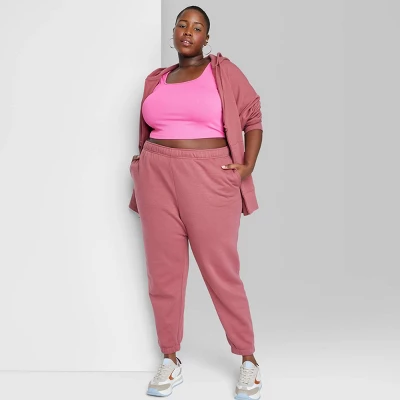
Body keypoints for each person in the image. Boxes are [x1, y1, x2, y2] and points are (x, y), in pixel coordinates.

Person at [129, 5, 263, 400]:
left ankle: (249, 360)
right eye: (182, 25)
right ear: (173, 33)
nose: (188, 31)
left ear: (207, 38)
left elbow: (253, 117)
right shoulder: (157, 79)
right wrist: (142, 162)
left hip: (208, 175)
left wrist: (246, 166)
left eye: (197, 27)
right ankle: (170, 357)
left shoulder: (223, 72)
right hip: (156, 175)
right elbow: (149, 127)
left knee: (221, 271)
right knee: (163, 272)